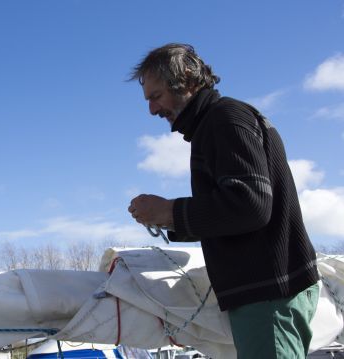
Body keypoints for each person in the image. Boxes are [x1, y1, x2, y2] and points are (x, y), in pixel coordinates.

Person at [127, 43, 320, 359]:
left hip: (268, 294)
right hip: (270, 291)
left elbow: (251, 205)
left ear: (187, 80)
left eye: (156, 96)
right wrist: (171, 219)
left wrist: (170, 210)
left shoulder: (224, 119)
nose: (152, 110)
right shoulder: (217, 123)